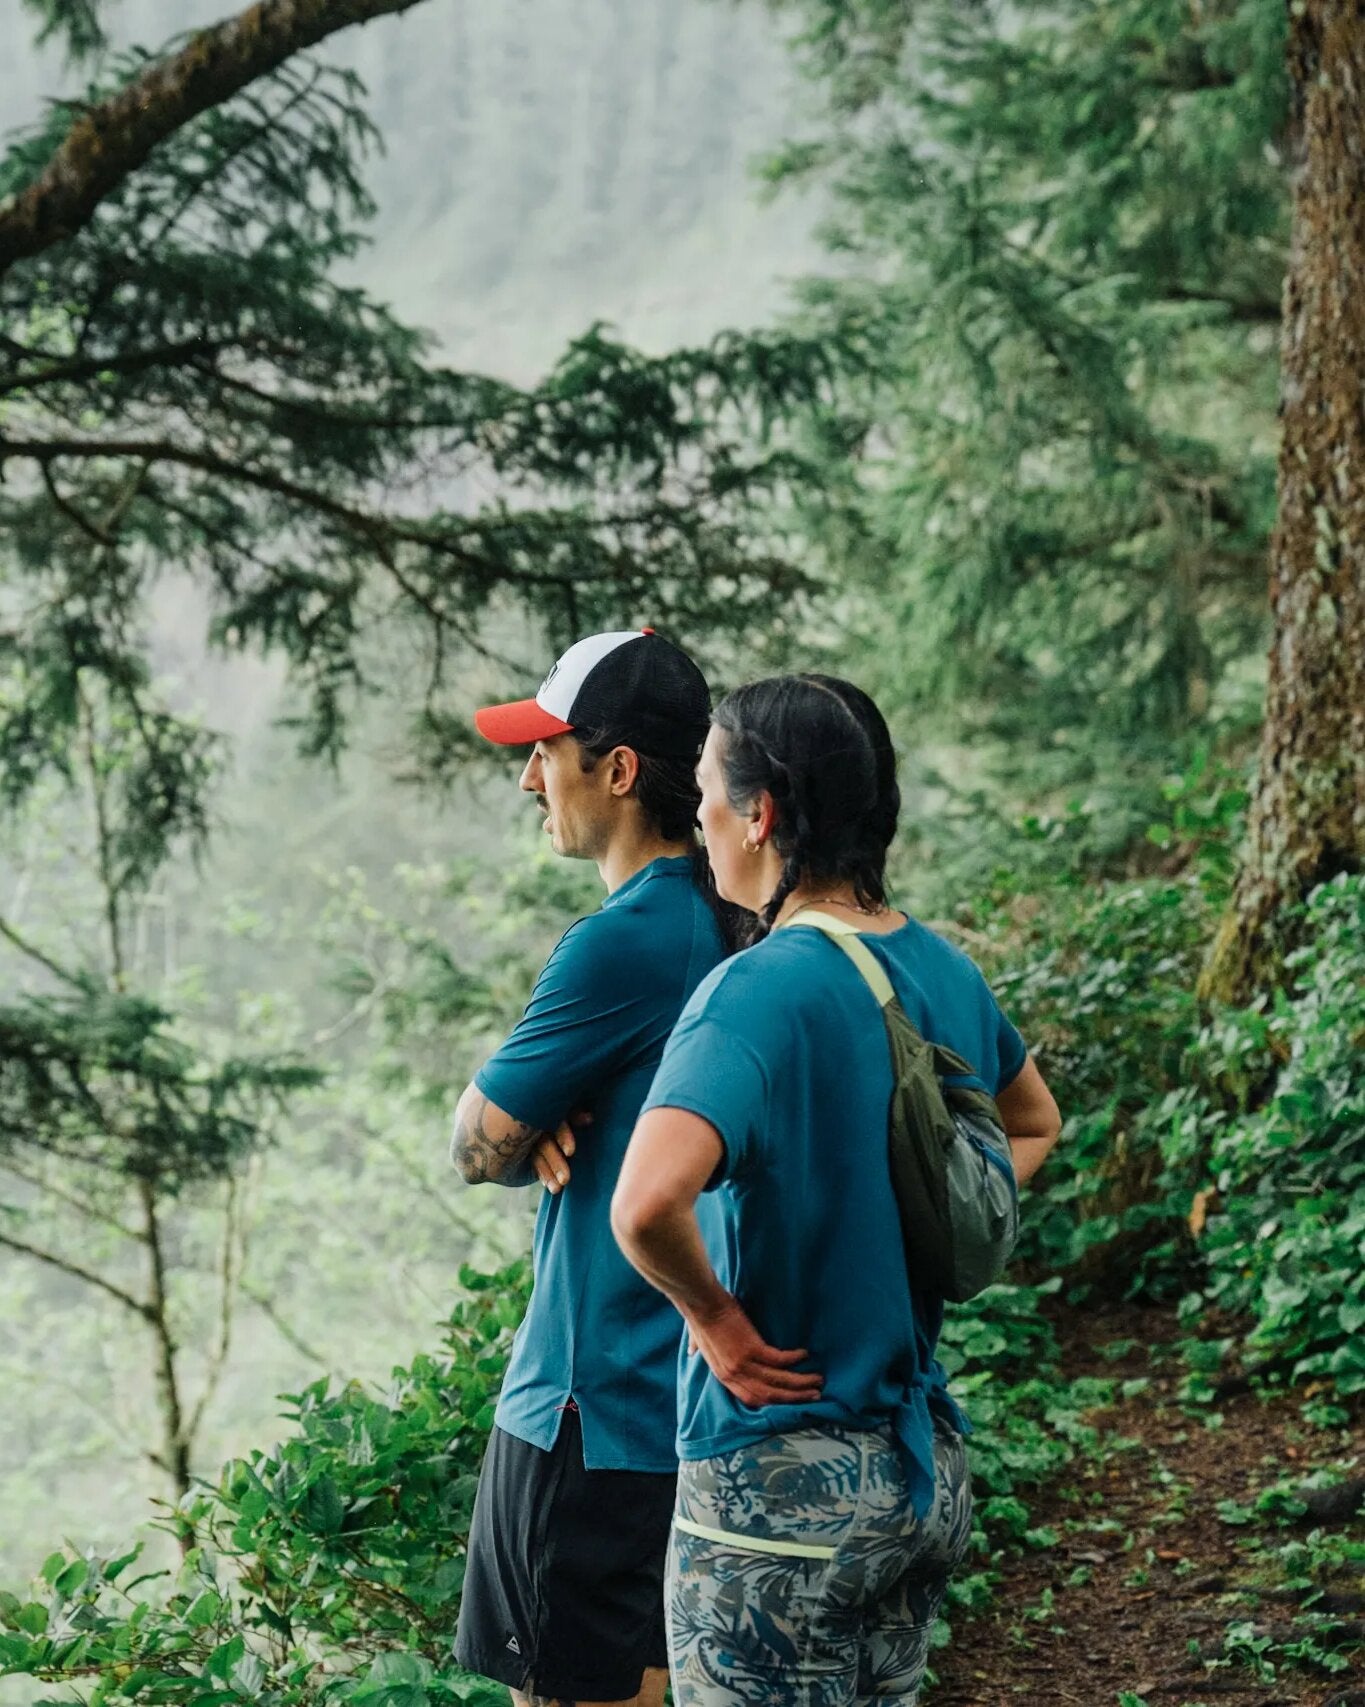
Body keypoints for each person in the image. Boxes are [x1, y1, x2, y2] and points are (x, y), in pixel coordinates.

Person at [611, 673, 1062, 1707]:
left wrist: (715, 1321)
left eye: (708, 798)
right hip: (920, 1475)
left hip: (778, 1496)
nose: (701, 824)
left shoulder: (757, 991)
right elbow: (1033, 1123)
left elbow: (642, 1206)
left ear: (762, 815)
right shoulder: (942, 969)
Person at [450, 628, 735, 1707]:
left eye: (547, 751)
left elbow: (477, 1141)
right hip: (698, 1406)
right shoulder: (746, 919)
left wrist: (522, 1128)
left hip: (585, 1406)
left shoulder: (621, 942)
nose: (529, 776)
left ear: (617, 771)